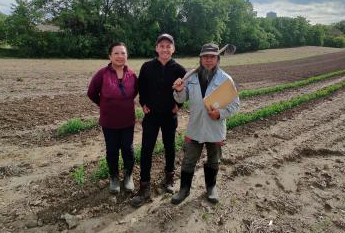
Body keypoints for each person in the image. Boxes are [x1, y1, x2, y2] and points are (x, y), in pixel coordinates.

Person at [171, 43, 240, 205]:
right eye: (205, 57)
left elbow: (235, 104)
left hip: (214, 128)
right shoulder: (190, 77)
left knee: (213, 160)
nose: (208, 60)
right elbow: (181, 99)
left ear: (217, 59)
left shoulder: (225, 79)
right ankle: (184, 189)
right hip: (195, 126)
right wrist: (179, 90)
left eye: (212, 57)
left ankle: (211, 188)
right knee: (189, 160)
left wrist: (220, 114)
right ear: (200, 59)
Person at [131, 33, 186, 207]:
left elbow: (184, 90)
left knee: (170, 147)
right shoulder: (147, 67)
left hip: (169, 115)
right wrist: (143, 103)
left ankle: (169, 179)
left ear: (173, 49)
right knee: (147, 149)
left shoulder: (179, 69)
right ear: (157, 48)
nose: (165, 49)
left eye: (168, 46)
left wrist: (180, 105)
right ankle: (144, 186)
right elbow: (142, 87)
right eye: (161, 46)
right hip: (152, 115)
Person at [87, 42, 138, 194]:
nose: (120, 56)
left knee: (128, 150)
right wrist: (104, 105)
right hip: (109, 122)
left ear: (127, 56)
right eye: (116, 53)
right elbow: (91, 93)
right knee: (112, 150)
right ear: (110, 56)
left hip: (127, 121)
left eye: (123, 53)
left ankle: (128, 176)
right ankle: (114, 177)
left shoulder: (132, 75)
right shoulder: (102, 74)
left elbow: (134, 93)